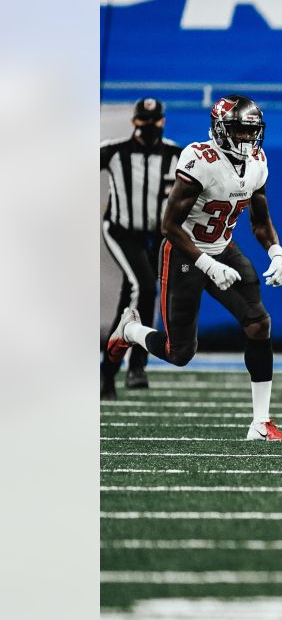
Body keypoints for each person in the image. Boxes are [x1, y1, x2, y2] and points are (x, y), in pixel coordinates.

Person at [104, 95, 282, 441]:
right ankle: (131, 331)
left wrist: (277, 253)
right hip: (184, 254)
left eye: (252, 131)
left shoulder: (257, 161)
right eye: (239, 131)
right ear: (221, 130)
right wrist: (206, 264)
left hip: (223, 248)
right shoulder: (200, 159)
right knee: (180, 353)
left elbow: (260, 219)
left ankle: (260, 423)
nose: (247, 139)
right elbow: (169, 226)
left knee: (258, 324)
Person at [100, 97, 183, 399]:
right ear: (134, 121)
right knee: (145, 287)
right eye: (143, 120)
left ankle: (106, 374)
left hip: (155, 237)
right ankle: (137, 365)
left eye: (154, 120)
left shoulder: (177, 154)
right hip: (121, 231)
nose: (149, 126)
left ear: (162, 121)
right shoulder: (113, 151)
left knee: (132, 299)